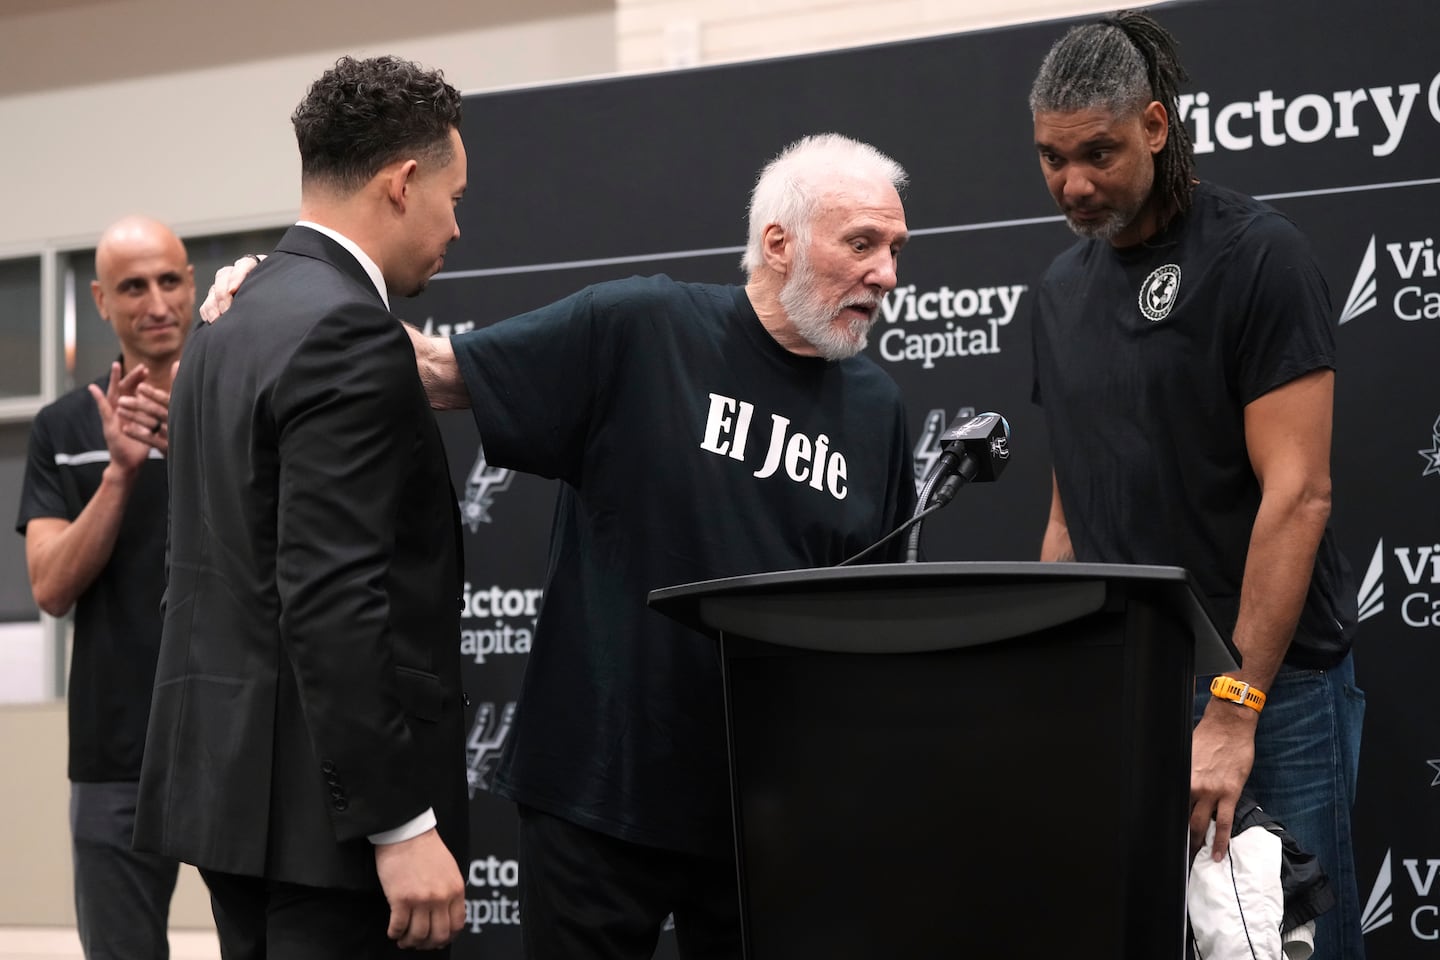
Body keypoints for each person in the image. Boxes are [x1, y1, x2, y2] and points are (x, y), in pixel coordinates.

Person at [207, 131, 916, 960]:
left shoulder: (877, 408)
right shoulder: (643, 325)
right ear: (779, 242)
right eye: (862, 244)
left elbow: (871, 616)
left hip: (766, 813)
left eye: (896, 250)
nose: (886, 275)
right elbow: (434, 373)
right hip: (599, 797)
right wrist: (290, 291)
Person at [1028, 11, 1364, 958]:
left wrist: (1231, 713)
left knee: (1295, 947)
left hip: (1274, 692)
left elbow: (1299, 495)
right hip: (1130, 691)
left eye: (1097, 151)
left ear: (1157, 127)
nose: (1074, 183)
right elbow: (1070, 509)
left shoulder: (1260, 257)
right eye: (1052, 157)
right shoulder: (1056, 290)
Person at [131, 56, 470, 959]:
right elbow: (329, 592)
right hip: (336, 830)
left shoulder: (226, 317)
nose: (457, 225)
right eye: (452, 196)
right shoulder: (347, 328)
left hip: (234, 801)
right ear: (402, 184)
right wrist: (399, 824)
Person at [15, 215, 193, 960]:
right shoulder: (64, 426)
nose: (155, 302)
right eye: (132, 286)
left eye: (170, 280)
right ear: (99, 301)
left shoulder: (246, 408)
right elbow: (50, 587)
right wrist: (119, 471)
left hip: (242, 741)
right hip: (116, 750)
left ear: (193, 284)